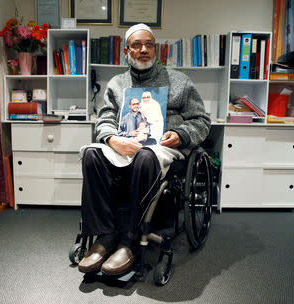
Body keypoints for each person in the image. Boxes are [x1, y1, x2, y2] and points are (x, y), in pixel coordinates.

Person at [78, 23, 211, 276]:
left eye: (149, 45)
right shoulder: (117, 84)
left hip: (162, 148)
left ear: (156, 50)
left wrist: (182, 134)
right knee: (92, 154)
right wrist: (111, 139)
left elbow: (202, 121)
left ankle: (129, 240)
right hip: (124, 143)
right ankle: (105, 236)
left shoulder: (179, 81)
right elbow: (105, 119)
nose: (143, 50)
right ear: (126, 51)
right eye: (137, 45)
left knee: (145, 156)